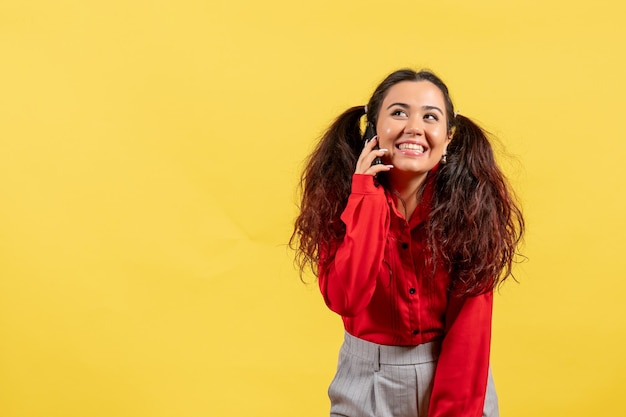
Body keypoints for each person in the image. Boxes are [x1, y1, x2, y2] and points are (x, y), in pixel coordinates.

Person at [290, 68, 524, 417]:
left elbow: (469, 332)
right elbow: (346, 298)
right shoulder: (340, 200)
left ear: (448, 137)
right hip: (366, 381)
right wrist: (365, 196)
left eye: (430, 117)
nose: (414, 126)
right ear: (372, 127)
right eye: (399, 112)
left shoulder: (472, 207)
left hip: (453, 373)